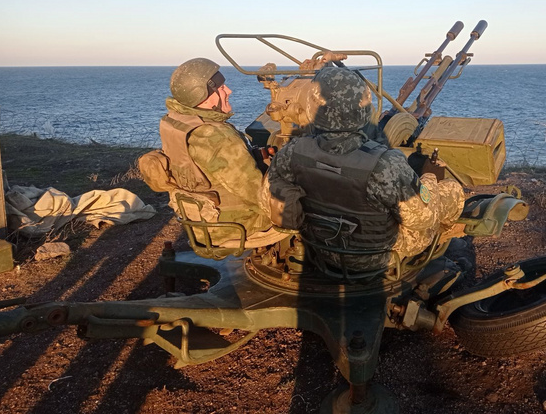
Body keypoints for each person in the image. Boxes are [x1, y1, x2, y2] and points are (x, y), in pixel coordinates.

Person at [261, 66, 466, 273]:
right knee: (450, 190)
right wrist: (430, 176)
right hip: (372, 259)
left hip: (318, 248)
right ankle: (447, 241)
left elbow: (267, 202)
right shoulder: (386, 164)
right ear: (363, 108)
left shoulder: (292, 152)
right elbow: (422, 218)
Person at [140, 58, 275, 246]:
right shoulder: (216, 136)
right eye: (220, 88)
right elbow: (258, 196)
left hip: (201, 222)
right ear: (201, 95)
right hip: (234, 227)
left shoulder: (176, 122)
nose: (229, 91)